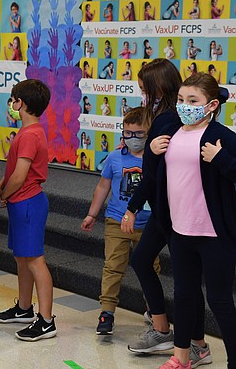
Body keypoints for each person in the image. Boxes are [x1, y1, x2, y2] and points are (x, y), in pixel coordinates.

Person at [124, 60, 209, 362]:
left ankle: (197, 343)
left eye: (145, 84)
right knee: (142, 259)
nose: (142, 90)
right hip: (164, 209)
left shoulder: (176, 119)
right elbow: (152, 171)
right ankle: (162, 329)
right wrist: (133, 206)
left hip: (183, 213)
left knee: (187, 281)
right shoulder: (160, 117)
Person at [151, 74, 233, 369]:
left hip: (213, 234)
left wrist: (221, 159)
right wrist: (152, 152)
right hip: (180, 231)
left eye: (193, 101)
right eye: (181, 100)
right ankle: (181, 357)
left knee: (220, 300)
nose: (184, 106)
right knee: (184, 295)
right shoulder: (171, 133)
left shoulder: (221, 137)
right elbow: (161, 178)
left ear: (211, 105)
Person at [81, 107, 158, 335]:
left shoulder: (157, 158)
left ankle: (154, 310)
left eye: (139, 134)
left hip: (149, 224)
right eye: (127, 133)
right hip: (116, 221)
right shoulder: (115, 157)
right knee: (113, 266)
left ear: (150, 134)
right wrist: (92, 214)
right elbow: (103, 186)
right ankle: (107, 312)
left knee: (151, 268)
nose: (132, 139)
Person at [0, 79, 56, 341]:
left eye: (13, 99)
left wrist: (3, 195)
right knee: (22, 258)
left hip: (28, 202)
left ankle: (46, 320)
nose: (12, 103)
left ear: (22, 103)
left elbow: (19, 176)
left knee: (35, 261)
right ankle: (23, 308)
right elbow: (12, 173)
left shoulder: (30, 134)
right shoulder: (28, 131)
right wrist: (0, 187)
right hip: (22, 202)